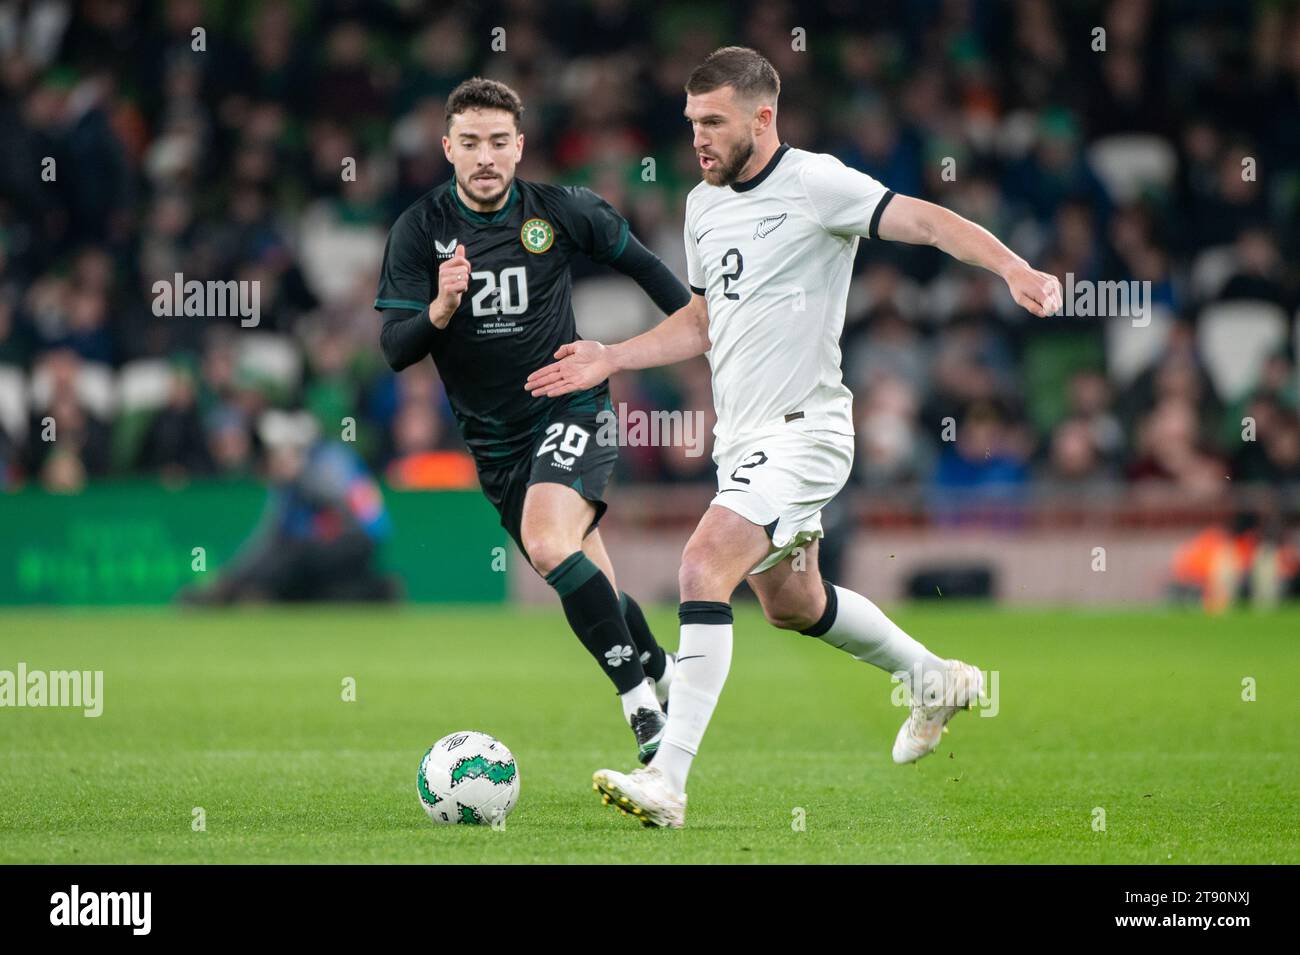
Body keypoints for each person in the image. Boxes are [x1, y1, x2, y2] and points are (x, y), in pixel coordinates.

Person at [527, 47, 1064, 827]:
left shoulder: (817, 183)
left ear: (762, 117)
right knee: (792, 603)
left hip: (805, 433)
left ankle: (668, 780)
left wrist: (1014, 268)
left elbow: (927, 219)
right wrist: (612, 355)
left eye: (713, 122)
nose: (699, 139)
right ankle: (932, 676)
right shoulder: (702, 206)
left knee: (703, 564)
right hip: (743, 444)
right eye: (692, 123)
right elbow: (705, 321)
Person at [375, 78, 692, 762]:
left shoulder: (564, 210)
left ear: (519, 147)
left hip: (572, 404)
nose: (484, 156)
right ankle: (664, 670)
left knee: (549, 544)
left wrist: (702, 338)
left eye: (497, 142)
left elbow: (653, 272)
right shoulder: (419, 230)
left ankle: (644, 711)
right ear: (446, 149)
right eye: (469, 143)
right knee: (585, 575)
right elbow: (396, 350)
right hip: (496, 444)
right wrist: (439, 307)